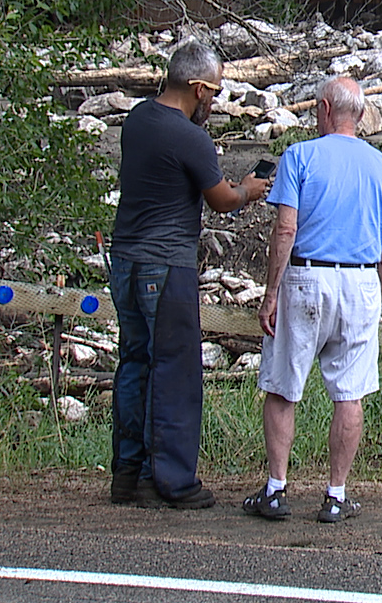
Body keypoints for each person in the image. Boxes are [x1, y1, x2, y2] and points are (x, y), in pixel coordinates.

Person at [109, 41, 268, 509]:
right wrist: (249, 190)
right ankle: (174, 482)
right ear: (197, 88)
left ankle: (128, 472)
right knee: (175, 370)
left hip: (125, 259)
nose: (214, 103)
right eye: (213, 94)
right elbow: (221, 199)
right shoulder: (190, 137)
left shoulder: (137, 119)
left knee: (135, 361)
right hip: (166, 263)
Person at [243, 76, 382, 523]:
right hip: (359, 283)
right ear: (359, 114)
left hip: (307, 276)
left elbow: (285, 230)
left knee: (283, 386)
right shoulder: (381, 166)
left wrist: (270, 293)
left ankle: (276, 489)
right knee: (349, 393)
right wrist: (380, 287)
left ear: (325, 110)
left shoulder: (300, 156)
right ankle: (336, 494)